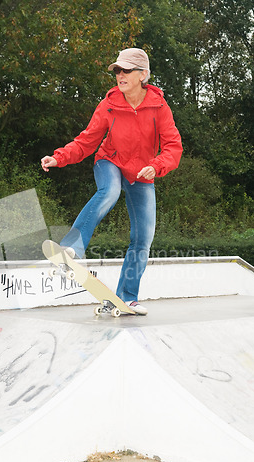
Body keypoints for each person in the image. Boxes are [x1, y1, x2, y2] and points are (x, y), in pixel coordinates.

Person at [41, 48, 183, 314]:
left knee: (143, 237)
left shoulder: (159, 107)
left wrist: (157, 165)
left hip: (142, 172)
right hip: (110, 162)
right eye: (117, 70)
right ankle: (70, 249)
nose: (120, 75)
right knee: (109, 191)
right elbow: (87, 141)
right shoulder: (109, 104)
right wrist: (59, 158)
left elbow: (174, 146)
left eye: (126, 70)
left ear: (143, 74)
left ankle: (127, 296)